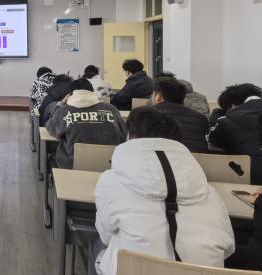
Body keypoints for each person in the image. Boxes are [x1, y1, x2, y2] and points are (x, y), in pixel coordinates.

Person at [92, 108, 235, 275]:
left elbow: (105, 235)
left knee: (96, 244)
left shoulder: (110, 180)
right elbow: (228, 248)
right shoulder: (209, 192)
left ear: (130, 135)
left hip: (135, 269)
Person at [46, 79, 125, 168]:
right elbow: (124, 134)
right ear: (93, 92)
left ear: (70, 95)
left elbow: (50, 128)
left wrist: (60, 104)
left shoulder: (63, 111)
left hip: (73, 166)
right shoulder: (112, 109)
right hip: (111, 165)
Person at [207, 83, 262, 184]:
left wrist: (217, 113)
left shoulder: (229, 119)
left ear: (232, 106)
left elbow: (212, 141)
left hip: (255, 182)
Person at [150, 76, 209, 153]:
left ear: (159, 97)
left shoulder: (145, 114)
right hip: (193, 159)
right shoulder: (201, 118)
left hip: (159, 158)